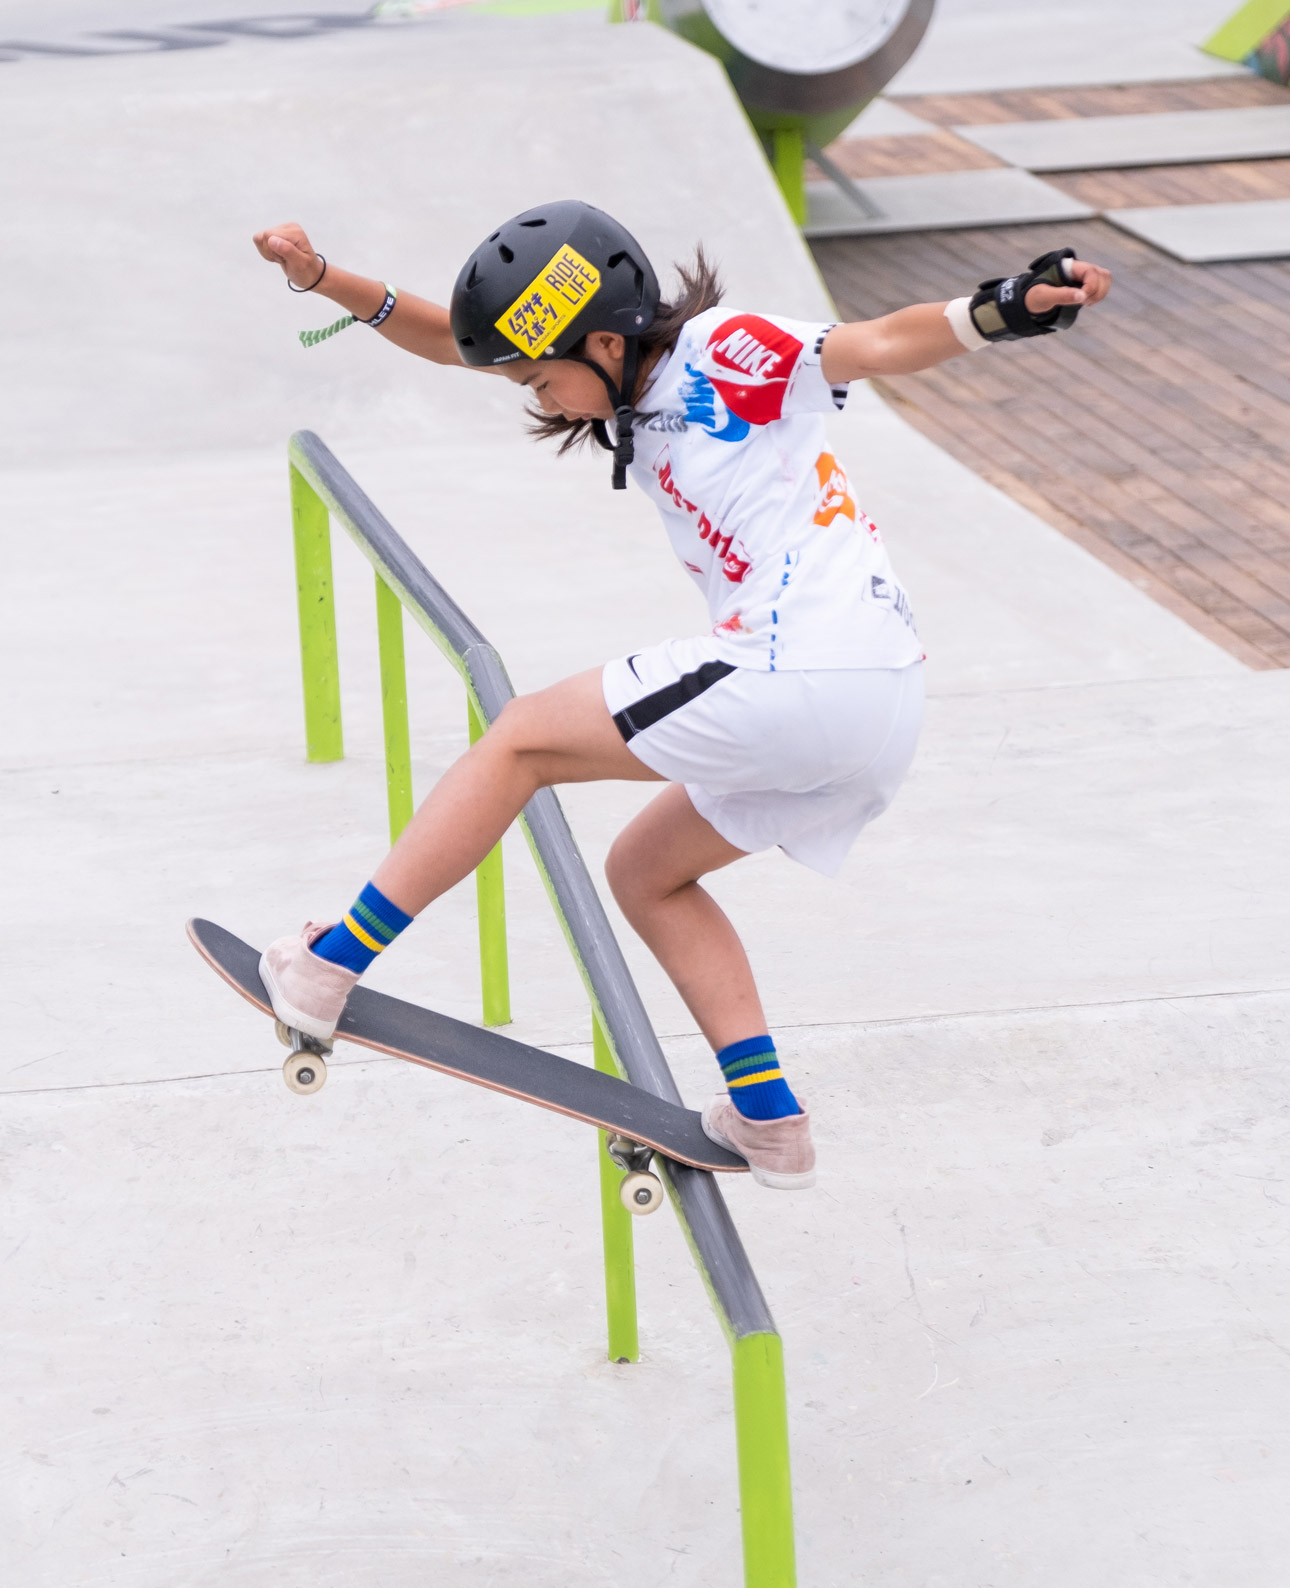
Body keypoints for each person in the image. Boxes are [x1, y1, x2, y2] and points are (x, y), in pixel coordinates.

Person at [251, 202, 1111, 1189]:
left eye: (542, 377)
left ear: (606, 340)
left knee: (520, 741)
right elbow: (458, 343)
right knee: (646, 871)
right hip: (876, 704)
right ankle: (768, 1122)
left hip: (800, 664)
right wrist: (326, 281)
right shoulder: (622, 378)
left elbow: (873, 342)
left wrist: (1004, 307)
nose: (541, 398)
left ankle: (328, 964)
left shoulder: (725, 349)